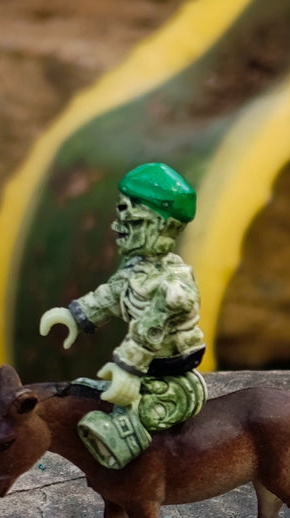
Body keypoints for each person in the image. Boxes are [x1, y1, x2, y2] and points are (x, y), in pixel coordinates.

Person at [40, 162, 207, 468]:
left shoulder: (174, 285)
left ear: (164, 227)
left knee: (143, 408)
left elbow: (150, 328)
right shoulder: (133, 268)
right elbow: (110, 295)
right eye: (122, 215)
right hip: (145, 366)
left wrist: (128, 369)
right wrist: (75, 316)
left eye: (133, 220)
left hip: (172, 366)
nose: (119, 225)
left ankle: (123, 441)